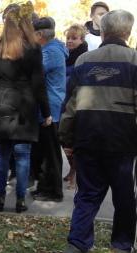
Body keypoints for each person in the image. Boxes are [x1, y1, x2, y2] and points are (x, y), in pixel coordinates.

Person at [59, 10, 137, 253]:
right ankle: (122, 247)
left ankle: (77, 245)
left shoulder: (83, 62)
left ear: (102, 31)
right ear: (128, 32)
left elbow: (70, 104)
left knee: (87, 195)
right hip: (123, 144)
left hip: (87, 140)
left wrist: (67, 139)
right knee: (125, 198)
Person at [0, 2, 51, 213]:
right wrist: (47, 112)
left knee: (3, 156)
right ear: (25, 24)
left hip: (2, 106)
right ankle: (20, 200)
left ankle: (0, 199)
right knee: (23, 156)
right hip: (26, 108)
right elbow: (39, 84)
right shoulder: (33, 49)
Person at [30, 17, 68, 202]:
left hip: (51, 108)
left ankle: (54, 191)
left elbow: (33, 71)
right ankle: (45, 187)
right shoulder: (49, 49)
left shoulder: (50, 51)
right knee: (43, 151)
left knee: (51, 152)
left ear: (39, 35)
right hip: (47, 106)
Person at [62, 24, 88, 185]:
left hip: (76, 102)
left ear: (82, 40)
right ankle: (73, 169)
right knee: (65, 140)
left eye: (74, 38)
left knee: (73, 140)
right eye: (68, 38)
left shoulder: (84, 57)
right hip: (62, 101)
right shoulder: (65, 55)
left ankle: (76, 173)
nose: (70, 41)